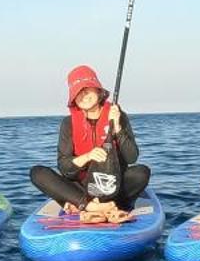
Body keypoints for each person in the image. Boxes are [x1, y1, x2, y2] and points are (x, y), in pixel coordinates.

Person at [28, 65, 150, 223]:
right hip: (81, 190)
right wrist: (87, 156)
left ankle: (104, 205)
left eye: (87, 90)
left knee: (141, 173)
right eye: (78, 92)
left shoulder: (118, 115)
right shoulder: (68, 123)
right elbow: (65, 168)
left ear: (99, 91)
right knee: (37, 173)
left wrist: (118, 128)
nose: (83, 95)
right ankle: (92, 207)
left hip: (112, 186)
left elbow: (132, 157)